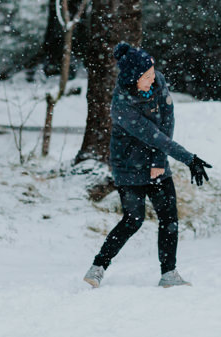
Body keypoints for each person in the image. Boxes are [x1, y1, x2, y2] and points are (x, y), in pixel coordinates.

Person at [83, 43, 213, 289]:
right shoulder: (122, 106)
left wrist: (158, 162)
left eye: (153, 73)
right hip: (129, 167)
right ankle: (98, 266)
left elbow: (167, 121)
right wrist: (189, 158)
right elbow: (155, 136)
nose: (153, 80)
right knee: (133, 220)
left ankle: (169, 273)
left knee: (169, 218)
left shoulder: (157, 81)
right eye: (146, 77)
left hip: (157, 162)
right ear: (133, 79)